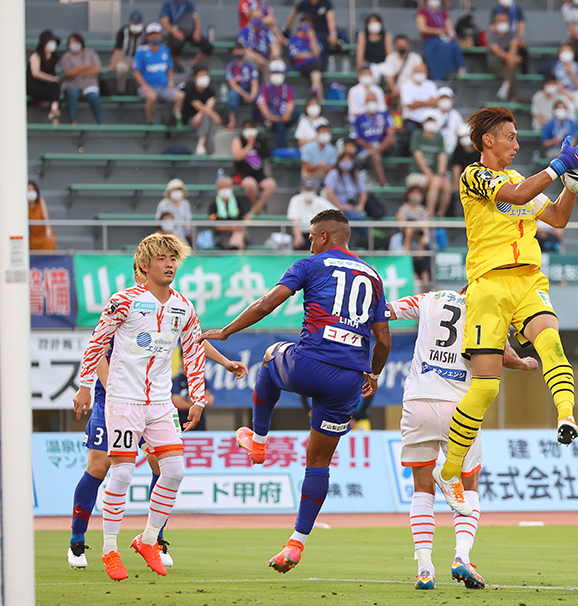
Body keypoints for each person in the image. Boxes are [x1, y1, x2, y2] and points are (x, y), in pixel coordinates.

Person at [199, 210, 392, 574]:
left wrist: (225, 332)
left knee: (270, 357)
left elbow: (267, 304)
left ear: (322, 237)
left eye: (310, 236)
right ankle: (296, 543)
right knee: (317, 462)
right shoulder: (373, 275)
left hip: (311, 363)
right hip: (349, 379)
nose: (308, 242)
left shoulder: (311, 264)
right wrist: (374, 372)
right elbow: (383, 339)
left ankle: (258, 440)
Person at [432, 108, 578, 516]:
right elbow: (517, 198)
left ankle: (567, 416)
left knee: (551, 342)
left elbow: (557, 218)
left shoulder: (521, 180)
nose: (516, 143)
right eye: (510, 136)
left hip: (528, 280)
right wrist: (560, 166)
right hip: (488, 285)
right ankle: (450, 470)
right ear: (487, 140)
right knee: (487, 386)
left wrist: (574, 185)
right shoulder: (475, 176)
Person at [68, 261, 246, 570]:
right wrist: (113, 392)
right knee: (101, 467)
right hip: (114, 395)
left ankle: (154, 538)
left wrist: (226, 362)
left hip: (155, 400)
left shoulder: (174, 309)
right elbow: (97, 350)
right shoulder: (127, 306)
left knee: (165, 466)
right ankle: (78, 541)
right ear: (140, 273)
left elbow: (192, 340)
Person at [73, 233, 207, 581]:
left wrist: (197, 397)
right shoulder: (124, 302)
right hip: (123, 400)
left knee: (174, 471)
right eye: (162, 258)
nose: (169, 264)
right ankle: (109, 550)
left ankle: (148, 539)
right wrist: (85, 386)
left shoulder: (184, 307)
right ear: (145, 266)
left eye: (173, 258)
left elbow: (193, 351)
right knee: (121, 472)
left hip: (161, 403)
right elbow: (97, 342)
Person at [387, 289, 538, 589]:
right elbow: (502, 355)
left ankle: (425, 568)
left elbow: (386, 311)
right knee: (469, 484)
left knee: (422, 487)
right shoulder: (489, 308)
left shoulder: (429, 298)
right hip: (460, 407)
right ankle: (462, 557)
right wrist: (525, 364)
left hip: (419, 401)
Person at [133, 23, 184, 125]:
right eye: (152, 35)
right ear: (147, 37)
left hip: (163, 86)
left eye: (157, 34)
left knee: (180, 96)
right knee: (151, 97)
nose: (155, 37)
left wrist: (170, 82)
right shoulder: (141, 51)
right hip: (147, 86)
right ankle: (149, 121)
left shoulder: (165, 50)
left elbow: (169, 69)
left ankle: (173, 118)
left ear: (160, 35)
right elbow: (136, 72)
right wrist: (144, 86)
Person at [160, 0, 213, 71]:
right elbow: (164, 21)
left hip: (189, 31)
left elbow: (196, 18)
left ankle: (192, 64)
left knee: (207, 47)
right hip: (176, 31)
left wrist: (196, 32)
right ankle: (179, 64)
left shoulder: (188, 3)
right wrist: (174, 31)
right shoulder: (167, 4)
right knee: (176, 45)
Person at [414, 0, 465, 81]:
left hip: (443, 38)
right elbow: (422, 28)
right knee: (443, 47)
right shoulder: (422, 12)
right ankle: (440, 74)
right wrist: (437, 31)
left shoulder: (443, 13)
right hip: (430, 40)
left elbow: (449, 27)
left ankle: (458, 69)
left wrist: (451, 34)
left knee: (454, 45)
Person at [286, 0, 338, 66]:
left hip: (321, 34)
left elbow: (331, 19)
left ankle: (321, 68)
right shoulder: (304, 3)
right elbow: (293, 14)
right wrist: (288, 29)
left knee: (322, 49)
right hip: (306, 34)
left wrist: (333, 34)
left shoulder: (325, 3)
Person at [231, 120, 277, 217]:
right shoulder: (238, 140)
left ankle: (255, 209)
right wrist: (250, 144)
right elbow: (238, 156)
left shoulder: (260, 140)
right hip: (243, 172)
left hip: (259, 173)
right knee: (250, 184)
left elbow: (266, 154)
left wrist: (256, 143)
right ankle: (257, 208)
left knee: (270, 184)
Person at [410, 114, 450, 217]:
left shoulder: (439, 137)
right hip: (417, 173)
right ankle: (430, 212)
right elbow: (418, 156)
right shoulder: (417, 135)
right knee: (435, 182)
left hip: (435, 174)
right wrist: (429, 174)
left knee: (446, 185)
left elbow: (442, 156)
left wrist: (441, 173)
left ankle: (441, 213)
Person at [351, 91, 395, 187]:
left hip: (383, 147)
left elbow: (391, 132)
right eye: (369, 100)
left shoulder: (385, 115)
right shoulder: (359, 118)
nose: (371, 103)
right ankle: (384, 183)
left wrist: (376, 148)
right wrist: (368, 146)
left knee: (391, 140)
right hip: (366, 147)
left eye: (373, 100)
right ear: (365, 103)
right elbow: (356, 137)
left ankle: (372, 152)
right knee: (376, 156)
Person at [60, 32, 104, 125]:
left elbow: (96, 70)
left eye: (75, 41)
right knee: (72, 94)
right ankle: (72, 120)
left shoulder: (91, 54)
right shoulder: (66, 57)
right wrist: (84, 67)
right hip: (72, 84)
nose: (73, 44)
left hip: (89, 84)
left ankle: (100, 122)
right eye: (71, 42)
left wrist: (77, 71)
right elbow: (68, 73)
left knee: (93, 97)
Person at [256, 61, 297, 148]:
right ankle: (283, 149)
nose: (277, 75)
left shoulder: (287, 88)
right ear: (270, 74)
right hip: (269, 118)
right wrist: (270, 117)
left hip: (283, 116)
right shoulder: (265, 88)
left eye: (280, 73)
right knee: (280, 126)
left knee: (297, 112)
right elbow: (261, 104)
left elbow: (291, 102)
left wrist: (287, 114)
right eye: (275, 73)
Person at [286, 179, 336, 250]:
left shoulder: (320, 201)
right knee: (299, 244)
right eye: (306, 190)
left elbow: (336, 213)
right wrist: (298, 236)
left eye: (311, 190)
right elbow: (295, 219)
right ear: (301, 190)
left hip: (319, 234)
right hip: (303, 233)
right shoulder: (295, 200)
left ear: (315, 191)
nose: (308, 193)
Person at [182, 68, 221, 156]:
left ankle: (201, 144)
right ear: (195, 78)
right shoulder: (190, 89)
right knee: (208, 118)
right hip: (190, 119)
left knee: (207, 119)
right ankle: (211, 150)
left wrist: (200, 115)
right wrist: (215, 116)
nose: (204, 78)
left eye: (206, 76)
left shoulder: (210, 91)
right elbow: (198, 106)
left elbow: (208, 107)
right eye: (202, 76)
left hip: (201, 119)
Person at [490, 0, 529, 74]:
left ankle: (524, 74)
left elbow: (521, 25)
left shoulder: (517, 10)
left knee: (522, 49)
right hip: (501, 38)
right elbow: (492, 27)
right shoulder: (496, 10)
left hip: (514, 38)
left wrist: (520, 38)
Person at [323, 146, 368, 222]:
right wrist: (340, 206)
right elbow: (328, 191)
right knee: (351, 216)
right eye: (344, 160)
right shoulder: (334, 174)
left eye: (349, 160)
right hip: (337, 207)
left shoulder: (356, 175)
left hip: (353, 206)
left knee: (361, 215)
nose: (346, 162)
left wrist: (360, 205)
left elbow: (363, 192)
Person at [28, 30, 62, 124]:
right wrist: (51, 79)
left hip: (46, 86)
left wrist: (53, 80)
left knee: (55, 87)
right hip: (34, 86)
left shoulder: (55, 58)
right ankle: (54, 113)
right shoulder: (36, 56)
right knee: (54, 84)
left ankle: (54, 111)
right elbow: (36, 73)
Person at [207, 175, 250, 250]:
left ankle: (236, 245)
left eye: (227, 187)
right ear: (217, 189)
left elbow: (246, 218)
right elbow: (216, 225)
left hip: (239, 232)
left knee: (239, 236)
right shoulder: (213, 205)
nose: (225, 189)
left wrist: (238, 229)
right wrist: (234, 228)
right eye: (222, 187)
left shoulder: (239, 202)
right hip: (222, 234)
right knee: (237, 241)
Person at [287, 14, 325, 99]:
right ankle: (319, 99)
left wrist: (312, 37)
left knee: (316, 73)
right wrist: (310, 54)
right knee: (316, 74)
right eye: (304, 23)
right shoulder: (294, 38)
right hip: (301, 65)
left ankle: (315, 92)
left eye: (308, 24)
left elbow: (317, 53)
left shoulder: (314, 38)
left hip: (314, 64)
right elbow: (296, 55)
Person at [486, 13, 521, 101]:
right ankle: (513, 97)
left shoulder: (511, 33)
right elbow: (495, 49)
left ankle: (506, 86)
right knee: (513, 66)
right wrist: (510, 58)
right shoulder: (491, 34)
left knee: (511, 66)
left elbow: (514, 44)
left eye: (505, 21)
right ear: (495, 23)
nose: (503, 23)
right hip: (495, 63)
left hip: (507, 63)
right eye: (500, 21)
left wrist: (511, 57)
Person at [554, 45, 578, 130]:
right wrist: (567, 95)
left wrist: (570, 72)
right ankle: (573, 134)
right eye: (563, 51)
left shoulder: (577, 66)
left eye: (569, 51)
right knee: (571, 111)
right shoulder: (555, 67)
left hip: (576, 91)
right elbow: (555, 84)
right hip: (562, 92)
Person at [109, 11, 145, 95]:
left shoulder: (145, 32)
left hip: (140, 59)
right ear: (129, 23)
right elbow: (118, 49)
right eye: (133, 23)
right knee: (121, 69)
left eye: (138, 23)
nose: (135, 26)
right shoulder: (123, 31)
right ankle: (121, 91)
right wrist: (113, 63)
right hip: (125, 57)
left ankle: (141, 90)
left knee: (144, 71)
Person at [224, 43, 259, 129]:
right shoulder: (230, 66)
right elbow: (232, 84)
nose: (239, 52)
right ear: (234, 52)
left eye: (241, 50)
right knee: (232, 95)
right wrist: (244, 94)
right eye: (237, 50)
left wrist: (252, 95)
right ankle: (232, 121)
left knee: (259, 98)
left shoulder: (250, 65)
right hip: (237, 89)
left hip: (248, 87)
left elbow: (255, 82)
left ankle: (257, 122)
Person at [400, 62, 439, 136]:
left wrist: (417, 102)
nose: (419, 73)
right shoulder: (406, 86)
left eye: (421, 71)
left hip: (429, 119)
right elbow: (409, 105)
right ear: (412, 73)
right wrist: (428, 102)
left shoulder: (431, 85)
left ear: (426, 73)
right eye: (417, 71)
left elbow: (435, 102)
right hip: (412, 119)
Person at [383, 34, 424, 99]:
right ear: (395, 46)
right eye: (399, 44)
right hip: (397, 89)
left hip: (412, 88)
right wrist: (394, 90)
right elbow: (389, 76)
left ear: (408, 45)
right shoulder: (390, 58)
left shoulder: (416, 58)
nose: (402, 46)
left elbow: (419, 73)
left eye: (404, 43)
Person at [356, 14, 392, 81]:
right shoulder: (363, 36)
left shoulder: (386, 36)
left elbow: (390, 54)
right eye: (371, 22)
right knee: (373, 75)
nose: (374, 24)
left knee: (389, 74)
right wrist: (359, 70)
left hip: (383, 64)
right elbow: (360, 55)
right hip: (369, 64)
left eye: (376, 21)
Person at [433, 87, 464, 157]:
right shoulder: (432, 114)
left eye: (447, 98)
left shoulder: (456, 115)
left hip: (452, 150)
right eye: (442, 98)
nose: (445, 100)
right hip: (435, 150)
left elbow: (460, 131)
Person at [28, 180, 56, 251]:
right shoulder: (25, 205)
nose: (31, 192)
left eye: (32, 189)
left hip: (43, 232)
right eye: (28, 190)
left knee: (49, 241)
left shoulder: (40, 201)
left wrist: (48, 230)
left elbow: (45, 216)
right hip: (34, 235)